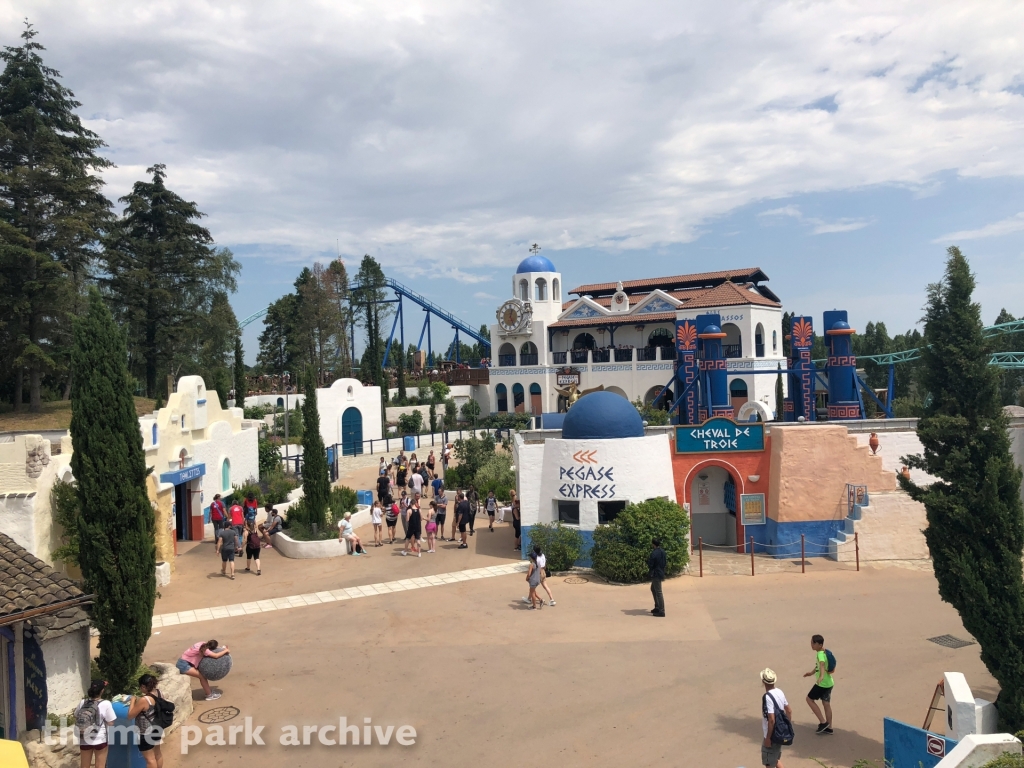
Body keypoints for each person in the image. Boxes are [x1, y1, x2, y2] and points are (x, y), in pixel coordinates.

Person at [75, 679, 116, 768]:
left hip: (84, 738)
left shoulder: (83, 702)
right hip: (100, 739)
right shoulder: (106, 703)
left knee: (84, 766)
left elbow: (76, 715)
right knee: (100, 766)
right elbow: (111, 722)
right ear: (102, 691)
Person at [128, 674, 166, 767]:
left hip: (146, 732)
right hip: (157, 728)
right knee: (158, 754)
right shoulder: (159, 693)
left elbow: (130, 715)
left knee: (150, 760)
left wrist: (132, 701)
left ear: (143, 686)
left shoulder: (144, 700)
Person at [760, 668, 792, 768]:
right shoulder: (779, 692)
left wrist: (768, 738)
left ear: (763, 682)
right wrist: (785, 726)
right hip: (780, 732)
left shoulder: (767, 697)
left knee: (769, 763)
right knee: (775, 759)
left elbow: (771, 719)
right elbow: (789, 710)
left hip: (772, 734)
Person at [803, 634, 835, 734]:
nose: (811, 645)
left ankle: (823, 722)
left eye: (813, 643)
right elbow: (819, 665)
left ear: (819, 645)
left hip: (822, 684)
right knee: (826, 704)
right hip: (829, 683)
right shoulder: (824, 652)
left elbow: (821, 664)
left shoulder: (820, 654)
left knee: (809, 699)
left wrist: (821, 676)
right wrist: (811, 673)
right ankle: (829, 727)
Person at [648, 538, 666, 617]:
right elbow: (665, 562)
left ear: (653, 544)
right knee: (653, 588)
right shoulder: (662, 552)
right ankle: (657, 606)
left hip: (656, 573)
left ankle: (661, 610)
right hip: (660, 571)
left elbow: (651, 564)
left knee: (658, 592)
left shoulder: (654, 553)